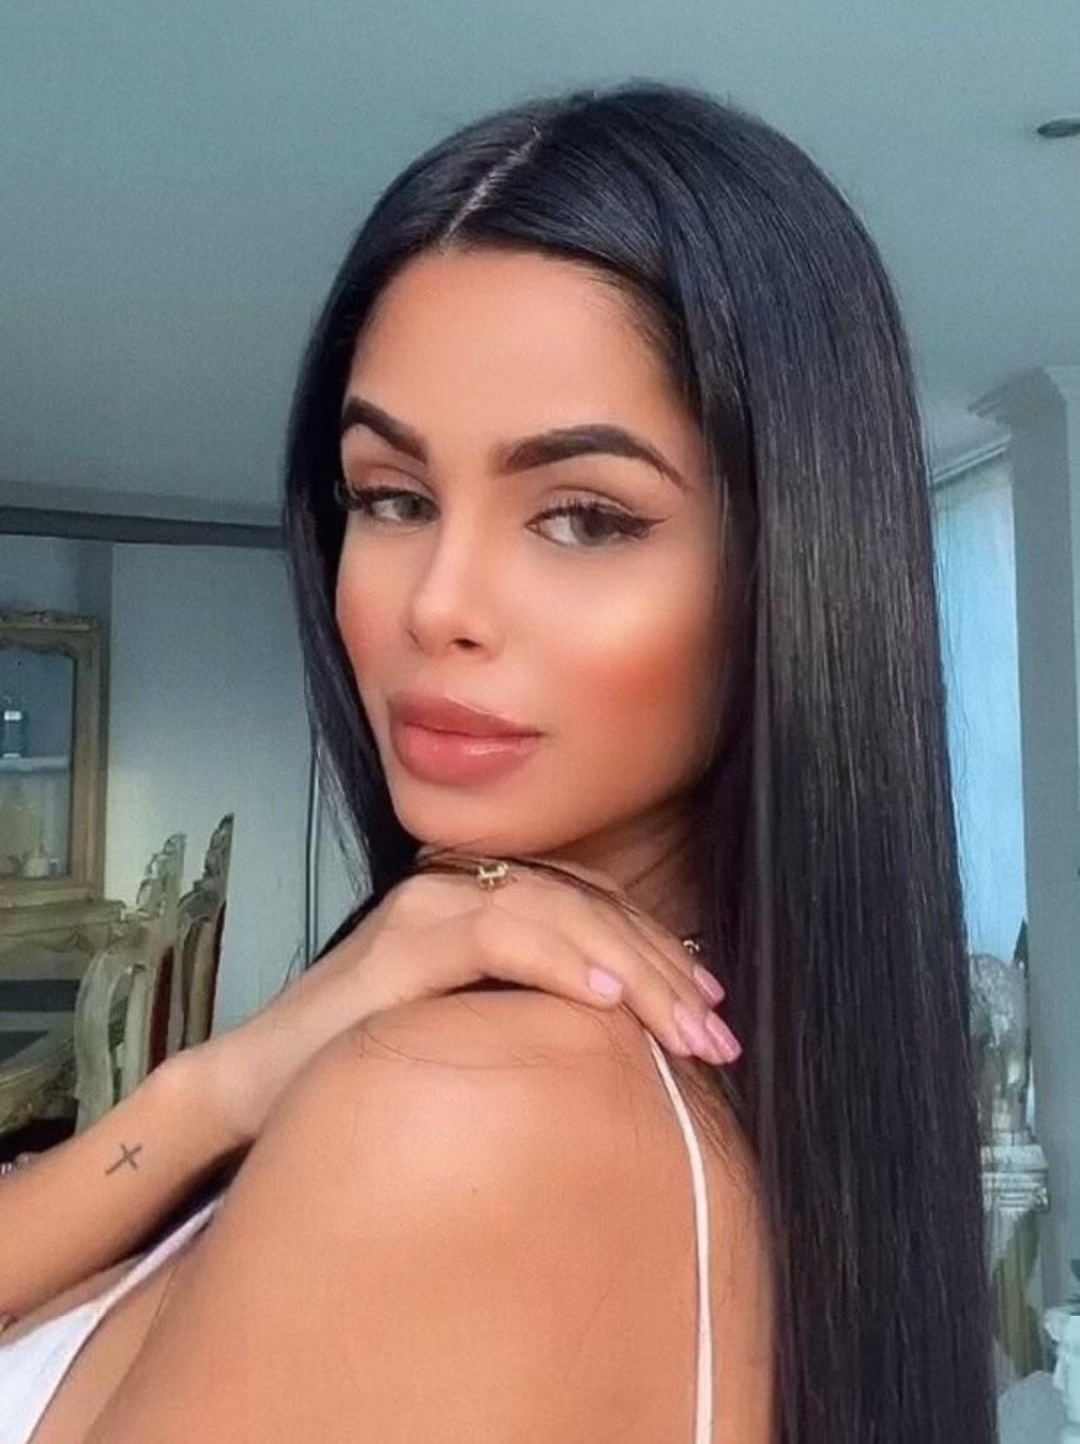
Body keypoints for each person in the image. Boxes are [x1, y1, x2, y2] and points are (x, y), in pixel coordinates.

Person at [0, 82, 995, 1442]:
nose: (437, 604)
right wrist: (232, 1078)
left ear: (794, 572)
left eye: (584, 518)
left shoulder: (463, 1110)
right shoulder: (626, 1093)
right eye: (393, 497)